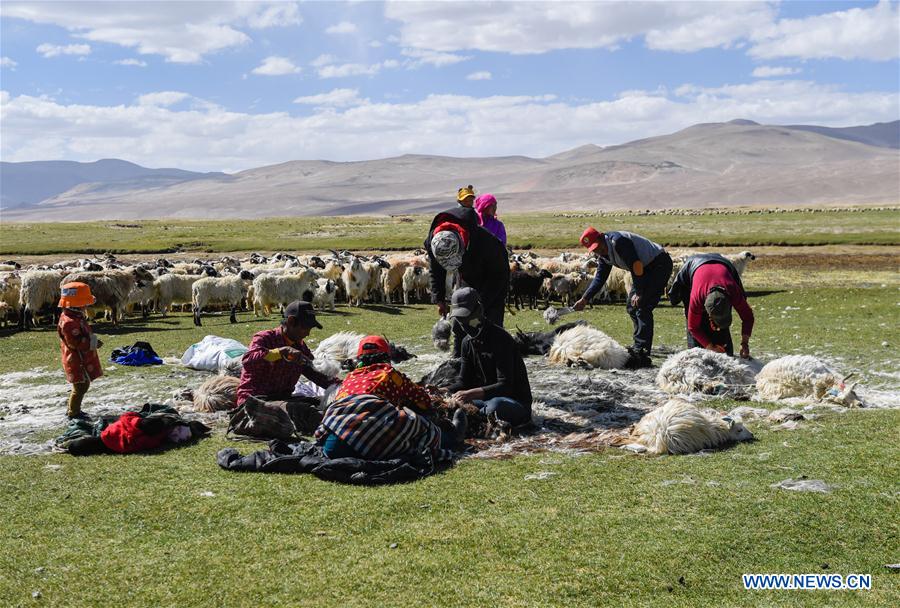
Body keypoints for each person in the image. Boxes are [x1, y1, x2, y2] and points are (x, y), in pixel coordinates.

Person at [315, 335, 465, 460]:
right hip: (367, 440)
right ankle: (452, 438)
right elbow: (423, 401)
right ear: (387, 356)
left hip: (333, 446)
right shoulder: (390, 375)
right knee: (419, 425)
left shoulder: (349, 378)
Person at [425, 189, 510, 357]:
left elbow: (499, 276)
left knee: (490, 324)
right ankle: (460, 358)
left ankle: (493, 359)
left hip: (492, 278)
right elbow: (436, 269)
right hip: (466, 277)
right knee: (460, 321)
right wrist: (439, 298)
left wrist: (481, 305)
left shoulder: (487, 244)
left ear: (463, 244)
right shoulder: (436, 241)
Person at [573, 228, 673, 368]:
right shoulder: (604, 255)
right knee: (631, 307)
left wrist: (639, 292)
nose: (598, 251)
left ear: (602, 237)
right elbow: (600, 278)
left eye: (598, 246)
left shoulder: (618, 242)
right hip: (643, 270)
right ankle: (639, 346)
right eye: (594, 249)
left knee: (642, 305)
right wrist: (585, 299)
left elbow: (636, 264)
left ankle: (642, 350)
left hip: (658, 265)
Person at [236, 301, 340, 428]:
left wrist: (341, 386)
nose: (308, 334)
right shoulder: (265, 338)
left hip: (281, 399)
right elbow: (248, 360)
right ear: (291, 322)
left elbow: (315, 373)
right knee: (303, 412)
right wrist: (280, 352)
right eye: (305, 328)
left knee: (318, 403)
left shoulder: (300, 347)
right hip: (255, 402)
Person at [446, 287, 532, 427]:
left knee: (495, 407)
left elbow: (505, 386)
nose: (464, 323)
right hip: (485, 401)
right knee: (457, 406)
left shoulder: (501, 339)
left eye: (466, 316)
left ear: (478, 310)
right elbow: (463, 381)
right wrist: (444, 390)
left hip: (513, 402)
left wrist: (471, 394)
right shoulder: (467, 343)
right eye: (460, 319)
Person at [668, 253, 755, 358]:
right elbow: (693, 327)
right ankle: (696, 353)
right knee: (698, 341)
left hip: (723, 264)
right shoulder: (697, 297)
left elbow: (748, 317)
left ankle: (726, 349)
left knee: (722, 332)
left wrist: (744, 343)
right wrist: (710, 346)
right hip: (692, 269)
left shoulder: (733, 291)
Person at [57, 282, 103, 419]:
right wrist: (92, 343)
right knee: (80, 387)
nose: (86, 306)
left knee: (82, 384)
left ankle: (74, 410)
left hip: (80, 357)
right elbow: (74, 342)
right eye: (84, 303)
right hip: (76, 359)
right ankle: (73, 412)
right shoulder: (69, 322)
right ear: (77, 304)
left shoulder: (74, 316)